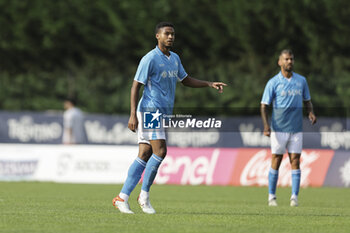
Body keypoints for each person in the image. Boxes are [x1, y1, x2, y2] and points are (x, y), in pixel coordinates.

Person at [112, 22, 227, 214]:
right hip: (150, 109)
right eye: (166, 34)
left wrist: (209, 83)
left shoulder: (174, 58)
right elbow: (135, 86)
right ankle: (144, 197)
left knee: (144, 154)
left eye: (172, 34)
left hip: (162, 112)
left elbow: (185, 79)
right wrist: (133, 114)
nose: (171, 37)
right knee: (161, 151)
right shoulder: (149, 58)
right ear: (157, 36)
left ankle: (121, 198)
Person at [260, 49, 317, 207]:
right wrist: (266, 125)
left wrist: (310, 112)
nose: (289, 62)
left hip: (296, 128)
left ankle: (294, 197)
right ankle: (272, 196)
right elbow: (264, 105)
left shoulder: (301, 81)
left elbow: (307, 100)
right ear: (280, 62)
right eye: (286, 59)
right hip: (278, 128)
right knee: (276, 160)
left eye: (291, 59)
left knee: (295, 161)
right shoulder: (273, 82)